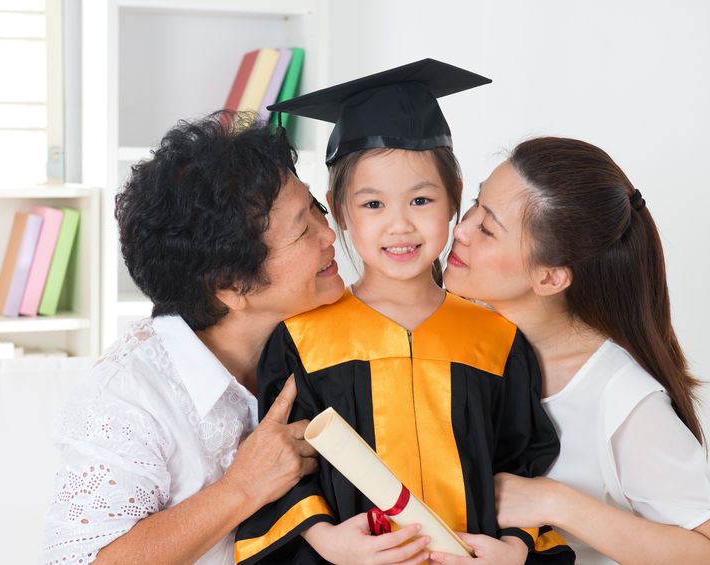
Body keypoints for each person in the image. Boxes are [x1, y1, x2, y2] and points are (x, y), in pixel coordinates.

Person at [235, 59, 574, 565]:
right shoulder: (301, 340)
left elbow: (523, 463)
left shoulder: (496, 337)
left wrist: (518, 546)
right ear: (339, 208)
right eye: (372, 205)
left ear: (455, 199)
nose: (400, 225)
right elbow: (285, 465)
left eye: (421, 199)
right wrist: (326, 539)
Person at [40, 113, 345, 565]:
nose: (329, 234)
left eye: (317, 208)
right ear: (232, 286)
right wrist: (240, 489)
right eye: (303, 230)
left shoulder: (317, 332)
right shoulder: (125, 399)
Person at [431, 137, 710, 565]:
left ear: (551, 278)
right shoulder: (465, 338)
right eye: (476, 205)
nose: (460, 230)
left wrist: (554, 502)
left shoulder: (623, 400)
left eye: (487, 228)